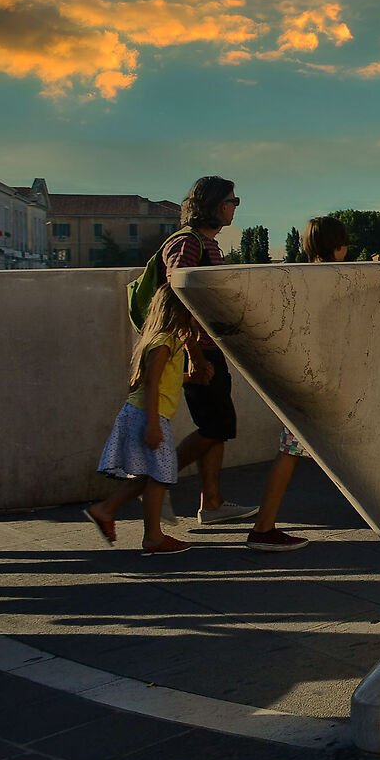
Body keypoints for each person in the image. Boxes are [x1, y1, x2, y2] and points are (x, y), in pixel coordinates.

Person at [245, 217, 356, 554]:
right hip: (321, 382)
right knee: (292, 453)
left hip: (298, 376)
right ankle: (262, 528)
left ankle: (264, 527)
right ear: (339, 246)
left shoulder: (298, 276)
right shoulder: (335, 278)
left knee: (291, 452)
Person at [161, 178, 255, 525]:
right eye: (232, 201)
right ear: (216, 204)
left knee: (216, 426)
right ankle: (153, 480)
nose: (234, 207)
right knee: (216, 426)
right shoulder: (186, 244)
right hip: (195, 350)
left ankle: (211, 504)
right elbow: (177, 301)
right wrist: (195, 357)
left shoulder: (207, 245)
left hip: (209, 348)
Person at [83, 285, 202, 555]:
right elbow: (150, 383)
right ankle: (153, 538)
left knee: (152, 473)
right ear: (179, 311)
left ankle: (106, 509)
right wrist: (152, 424)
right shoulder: (164, 341)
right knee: (160, 476)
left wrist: (190, 377)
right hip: (149, 414)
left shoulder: (160, 339)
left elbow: (161, 379)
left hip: (143, 413)